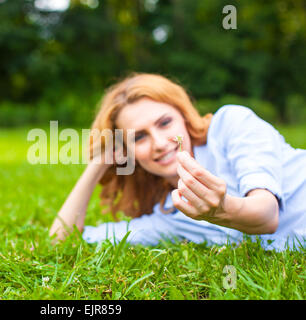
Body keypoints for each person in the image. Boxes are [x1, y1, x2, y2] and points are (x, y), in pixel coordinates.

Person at [49, 72, 306, 251]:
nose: (160, 142)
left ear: (183, 115)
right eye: (139, 137)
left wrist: (221, 209)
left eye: (164, 123)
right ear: (128, 153)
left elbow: (266, 215)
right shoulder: (171, 215)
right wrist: (98, 164)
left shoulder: (231, 125)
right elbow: (64, 241)